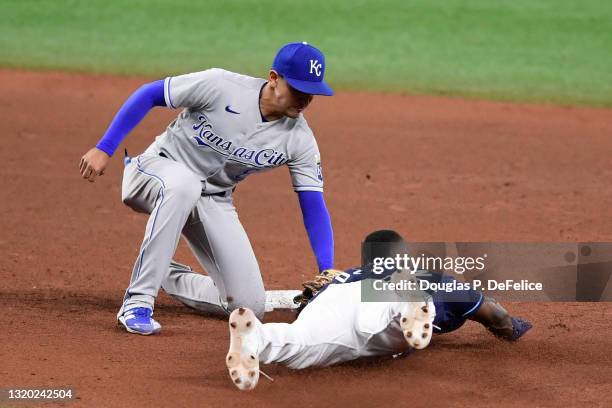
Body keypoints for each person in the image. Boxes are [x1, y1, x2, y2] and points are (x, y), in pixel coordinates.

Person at [78, 42, 335, 335]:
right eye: (298, 89)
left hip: (213, 200)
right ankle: (138, 301)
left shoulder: (299, 139)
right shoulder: (221, 86)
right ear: (274, 78)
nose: (305, 99)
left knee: (249, 306)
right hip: (153, 172)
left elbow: (313, 204)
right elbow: (151, 93)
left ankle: (167, 272)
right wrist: (104, 148)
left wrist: (326, 267)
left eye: (311, 93)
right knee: (184, 185)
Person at [224, 230, 532, 391]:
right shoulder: (433, 275)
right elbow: (497, 317)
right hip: (398, 296)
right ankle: (410, 304)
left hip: (335, 302)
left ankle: (255, 339)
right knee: (392, 317)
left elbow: (303, 313)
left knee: (300, 342)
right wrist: (514, 329)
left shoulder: (345, 275)